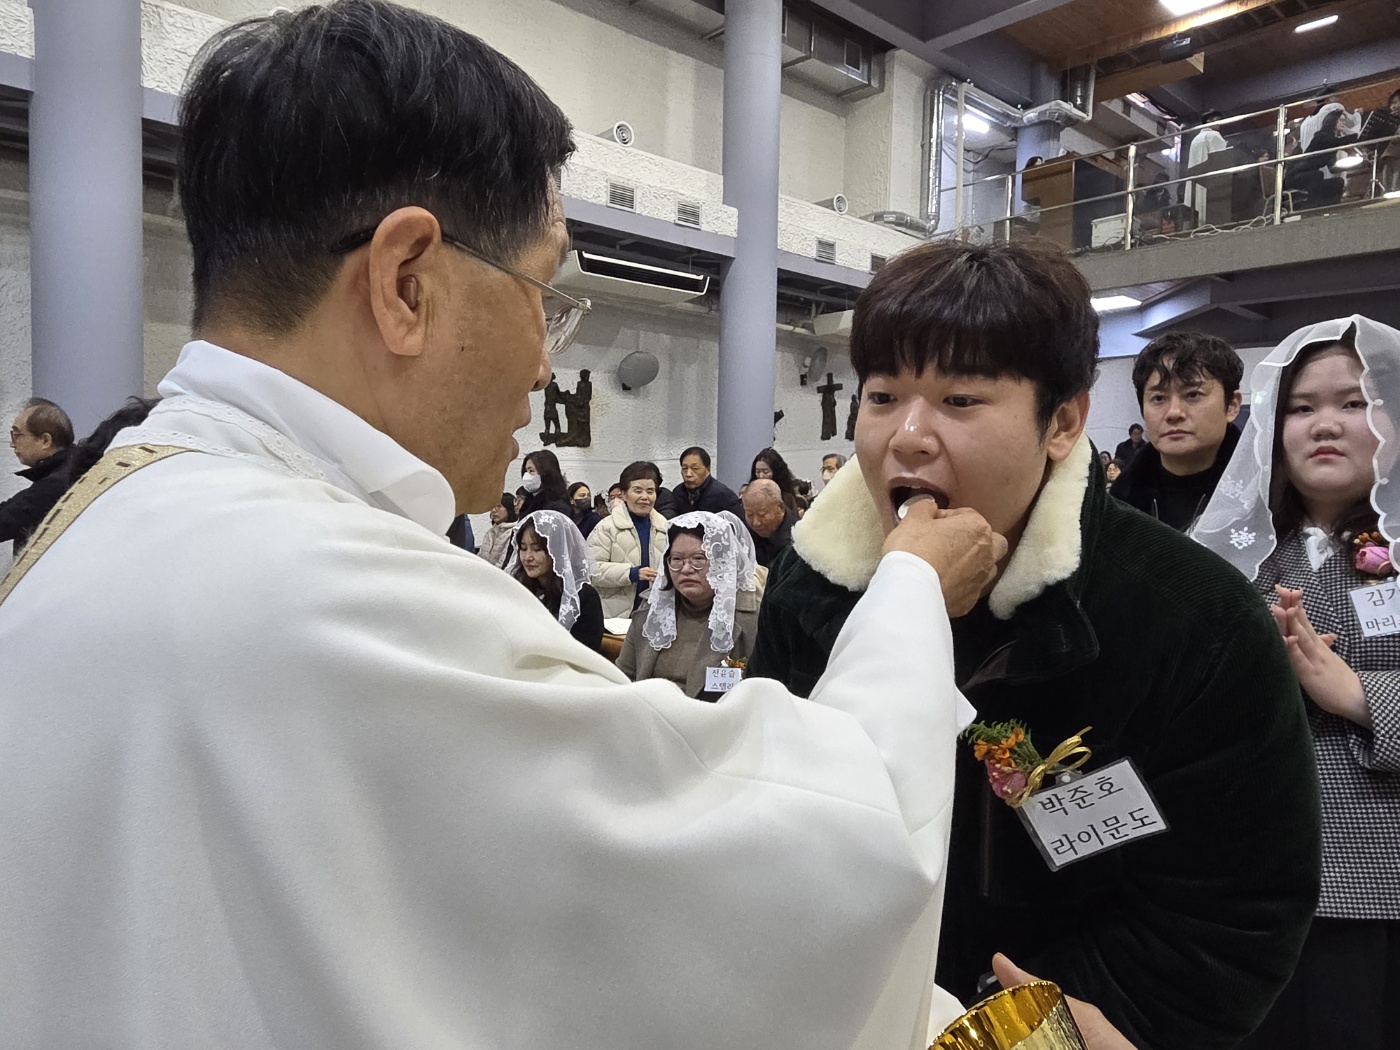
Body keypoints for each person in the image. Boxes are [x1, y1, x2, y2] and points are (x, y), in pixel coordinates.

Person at [0, 3, 1010, 1048]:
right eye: (545, 288)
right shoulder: (336, 594)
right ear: (404, 283)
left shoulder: (102, 518)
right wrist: (910, 597)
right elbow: (819, 858)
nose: (543, 360)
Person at [745, 238, 1320, 1050]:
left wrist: (1000, 1031)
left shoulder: (1193, 617)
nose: (907, 435)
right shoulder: (813, 589)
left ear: (1063, 422)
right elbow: (764, 820)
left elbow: (1228, 913)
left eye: (960, 400)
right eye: (882, 396)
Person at [1194, 316, 1400, 1050]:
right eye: (1302, 407)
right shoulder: (1238, 557)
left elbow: (1347, 690)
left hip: (1380, 885)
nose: (1325, 425)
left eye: (1354, 402)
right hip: (1253, 883)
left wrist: (1354, 694)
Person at [616, 512, 760, 699]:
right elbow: (622, 678)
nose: (685, 569)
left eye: (698, 559)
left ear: (722, 563)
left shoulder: (751, 620)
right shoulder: (650, 610)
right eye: (676, 559)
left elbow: (759, 697)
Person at [1110, 331, 1243, 531]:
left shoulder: (1271, 495)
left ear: (1232, 406)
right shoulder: (1118, 504)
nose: (1174, 413)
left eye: (1192, 394)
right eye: (1159, 398)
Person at [508, 509, 604, 654]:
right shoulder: (519, 587)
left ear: (558, 551)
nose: (527, 557)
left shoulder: (583, 597)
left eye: (537, 549)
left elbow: (586, 653)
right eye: (523, 548)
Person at [587, 459, 669, 618]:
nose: (645, 497)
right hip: (614, 616)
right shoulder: (606, 527)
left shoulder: (665, 527)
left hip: (655, 614)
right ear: (623, 494)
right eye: (637, 491)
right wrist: (631, 573)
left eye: (650, 491)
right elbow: (591, 570)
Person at [1, 397, 76, 555]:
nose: (12, 444)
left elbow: (6, 519)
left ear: (45, 440)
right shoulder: (70, 469)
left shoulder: (56, 483)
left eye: (17, 435)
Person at [1286, 106, 1360, 209]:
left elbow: (1333, 168)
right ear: (1333, 121)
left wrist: (1353, 164)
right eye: (1341, 120)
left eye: (1344, 120)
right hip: (1296, 174)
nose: (1343, 123)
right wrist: (1356, 136)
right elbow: (1336, 142)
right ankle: (1313, 207)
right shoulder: (1322, 136)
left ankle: (1331, 208)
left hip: (1308, 175)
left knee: (1337, 182)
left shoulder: (1331, 144)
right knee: (1318, 175)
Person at [674, 445, 743, 517]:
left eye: (695, 468)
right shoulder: (678, 492)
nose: (688, 474)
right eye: (684, 468)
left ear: (708, 470)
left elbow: (739, 523)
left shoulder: (722, 494)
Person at [743, 478, 796, 568]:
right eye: (750, 515)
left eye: (762, 515)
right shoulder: (744, 534)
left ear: (781, 508)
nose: (756, 523)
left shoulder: (797, 539)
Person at [519, 448, 570, 518]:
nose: (526, 476)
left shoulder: (557, 508)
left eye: (531, 471)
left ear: (546, 473)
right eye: (526, 471)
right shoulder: (529, 502)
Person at [749, 447, 798, 513]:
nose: (761, 476)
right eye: (758, 472)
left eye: (765, 472)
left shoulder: (787, 498)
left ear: (776, 472)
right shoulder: (750, 495)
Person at [477, 491, 519, 568]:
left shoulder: (513, 533)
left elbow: (503, 563)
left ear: (509, 509)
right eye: (493, 506)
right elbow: (480, 558)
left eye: (499, 506)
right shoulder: (490, 533)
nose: (493, 510)